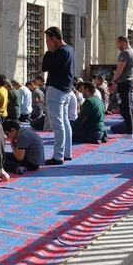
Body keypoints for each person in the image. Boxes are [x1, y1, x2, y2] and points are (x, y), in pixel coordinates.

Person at [41, 26, 74, 165]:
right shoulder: (70, 49)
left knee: (57, 124)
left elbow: (45, 66)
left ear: (54, 38)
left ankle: (58, 156)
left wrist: (49, 51)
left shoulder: (59, 52)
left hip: (56, 91)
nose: (47, 43)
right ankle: (67, 153)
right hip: (66, 91)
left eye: (48, 40)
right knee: (65, 123)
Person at [111, 36, 133, 137]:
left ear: (122, 42)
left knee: (126, 107)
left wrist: (113, 81)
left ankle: (129, 132)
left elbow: (120, 68)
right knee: (129, 107)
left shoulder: (125, 53)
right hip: (130, 81)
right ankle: (132, 131)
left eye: (117, 44)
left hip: (125, 82)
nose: (117, 46)